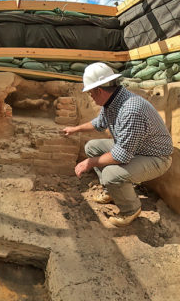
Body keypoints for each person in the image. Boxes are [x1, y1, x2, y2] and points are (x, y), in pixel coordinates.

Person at [63, 62, 173, 227]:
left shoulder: (130, 110)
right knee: (92, 147)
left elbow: (122, 155)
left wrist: (89, 162)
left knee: (111, 174)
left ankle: (131, 209)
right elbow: (99, 123)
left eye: (91, 93)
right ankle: (113, 191)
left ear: (99, 90)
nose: (90, 97)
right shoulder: (113, 100)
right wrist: (75, 129)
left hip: (155, 157)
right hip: (136, 149)